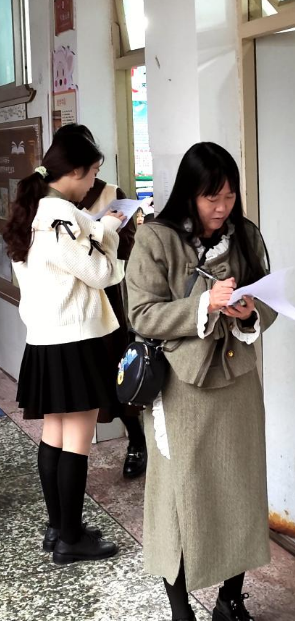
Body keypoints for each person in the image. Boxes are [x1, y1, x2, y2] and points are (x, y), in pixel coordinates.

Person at [125, 143, 277, 621]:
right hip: (179, 388)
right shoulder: (155, 238)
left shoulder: (245, 235)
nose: (222, 207)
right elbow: (141, 315)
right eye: (212, 197)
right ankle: (180, 610)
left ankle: (230, 600)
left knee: (240, 489)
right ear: (189, 194)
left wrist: (249, 312)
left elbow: (268, 299)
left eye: (230, 196)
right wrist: (203, 305)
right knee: (179, 496)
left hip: (237, 384)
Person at [1, 131, 123, 563]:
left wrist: (96, 226)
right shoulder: (61, 218)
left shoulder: (33, 210)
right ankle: (71, 539)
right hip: (75, 341)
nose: (92, 184)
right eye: (92, 173)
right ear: (74, 171)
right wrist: (110, 230)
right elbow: (101, 274)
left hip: (45, 340)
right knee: (77, 440)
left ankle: (58, 528)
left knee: (54, 435)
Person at [53, 123, 147, 479]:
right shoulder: (51, 201)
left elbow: (129, 245)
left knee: (115, 370)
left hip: (106, 295)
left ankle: (136, 440)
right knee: (77, 378)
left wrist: (108, 230)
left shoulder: (110, 193)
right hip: (67, 300)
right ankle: (71, 451)